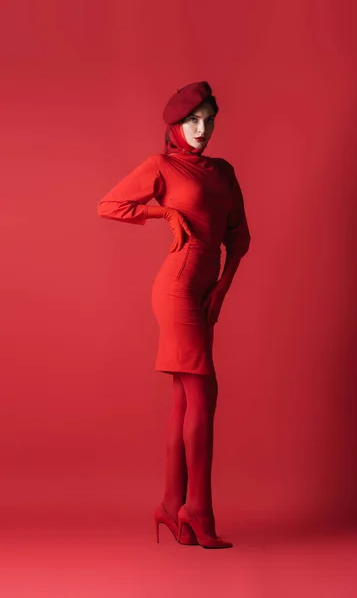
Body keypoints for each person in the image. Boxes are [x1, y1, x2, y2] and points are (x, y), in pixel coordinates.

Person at [97, 81, 251, 549]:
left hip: (205, 290)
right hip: (177, 287)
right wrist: (163, 215)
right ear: (175, 126)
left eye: (208, 120)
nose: (202, 129)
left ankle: (170, 506)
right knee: (204, 395)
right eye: (192, 121)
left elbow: (238, 238)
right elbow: (109, 205)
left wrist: (222, 289)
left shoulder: (223, 172)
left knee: (184, 401)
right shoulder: (162, 166)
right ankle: (198, 511)